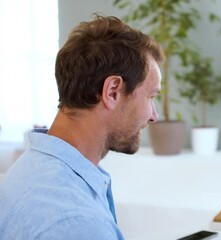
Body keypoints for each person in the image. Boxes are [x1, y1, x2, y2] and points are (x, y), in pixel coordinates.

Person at [0, 15, 164, 239]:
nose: (154, 115)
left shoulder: (28, 170)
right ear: (113, 91)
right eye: (150, 97)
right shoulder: (77, 222)